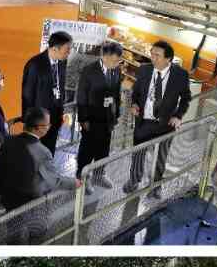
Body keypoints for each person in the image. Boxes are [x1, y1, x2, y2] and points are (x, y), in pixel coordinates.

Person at [125, 40, 192, 196]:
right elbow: (136, 92)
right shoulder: (144, 69)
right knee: (138, 153)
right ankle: (134, 180)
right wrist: (134, 104)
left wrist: (178, 116)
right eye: (152, 54)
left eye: (157, 55)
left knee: (160, 157)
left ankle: (155, 186)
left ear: (168, 59)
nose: (153, 58)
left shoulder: (180, 75)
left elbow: (186, 98)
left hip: (165, 124)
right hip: (144, 121)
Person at [0, 107, 79, 212]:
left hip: (8, 199)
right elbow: (54, 180)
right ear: (39, 128)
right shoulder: (42, 152)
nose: (49, 127)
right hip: (29, 204)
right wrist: (74, 183)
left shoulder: (8, 141)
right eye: (47, 125)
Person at [76, 41, 124, 191]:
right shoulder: (89, 71)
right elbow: (81, 96)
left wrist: (116, 115)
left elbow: (117, 94)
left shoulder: (116, 71)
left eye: (119, 61)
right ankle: (82, 177)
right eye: (115, 60)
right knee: (87, 149)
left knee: (104, 148)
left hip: (108, 118)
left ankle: (99, 174)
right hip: (91, 118)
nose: (117, 64)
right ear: (105, 56)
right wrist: (83, 119)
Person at [22, 31, 72, 157]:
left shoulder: (62, 62)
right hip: (38, 122)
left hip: (55, 118)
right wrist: (29, 123)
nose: (69, 53)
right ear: (55, 49)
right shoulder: (35, 65)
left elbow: (60, 86)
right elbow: (27, 95)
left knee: (49, 153)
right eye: (66, 50)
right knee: (35, 155)